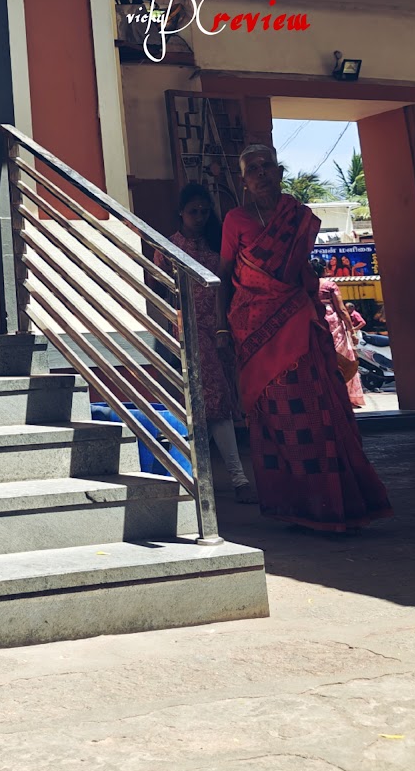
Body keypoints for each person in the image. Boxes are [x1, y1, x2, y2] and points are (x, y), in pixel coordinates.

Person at [219, 144, 392, 532]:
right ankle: (294, 504)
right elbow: (226, 275)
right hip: (253, 331)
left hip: (300, 325)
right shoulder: (236, 220)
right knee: (275, 418)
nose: (261, 173)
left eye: (267, 166)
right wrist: (219, 327)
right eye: (253, 170)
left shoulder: (298, 218)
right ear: (244, 182)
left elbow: (300, 276)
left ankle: (336, 500)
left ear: (279, 173)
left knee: (320, 411)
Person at [162, 183, 256, 502]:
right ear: (181, 213)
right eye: (193, 211)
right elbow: (159, 292)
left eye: (204, 211)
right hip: (187, 334)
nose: (199, 217)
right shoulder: (169, 248)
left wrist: (223, 329)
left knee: (217, 403)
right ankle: (236, 477)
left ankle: (206, 476)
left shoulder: (217, 246)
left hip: (219, 333)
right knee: (209, 404)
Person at [315, 270, 366, 409]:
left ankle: (326, 397)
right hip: (332, 324)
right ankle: (343, 396)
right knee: (342, 358)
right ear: (324, 269)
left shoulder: (307, 284)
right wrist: (351, 331)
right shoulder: (329, 285)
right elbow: (342, 309)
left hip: (314, 323)